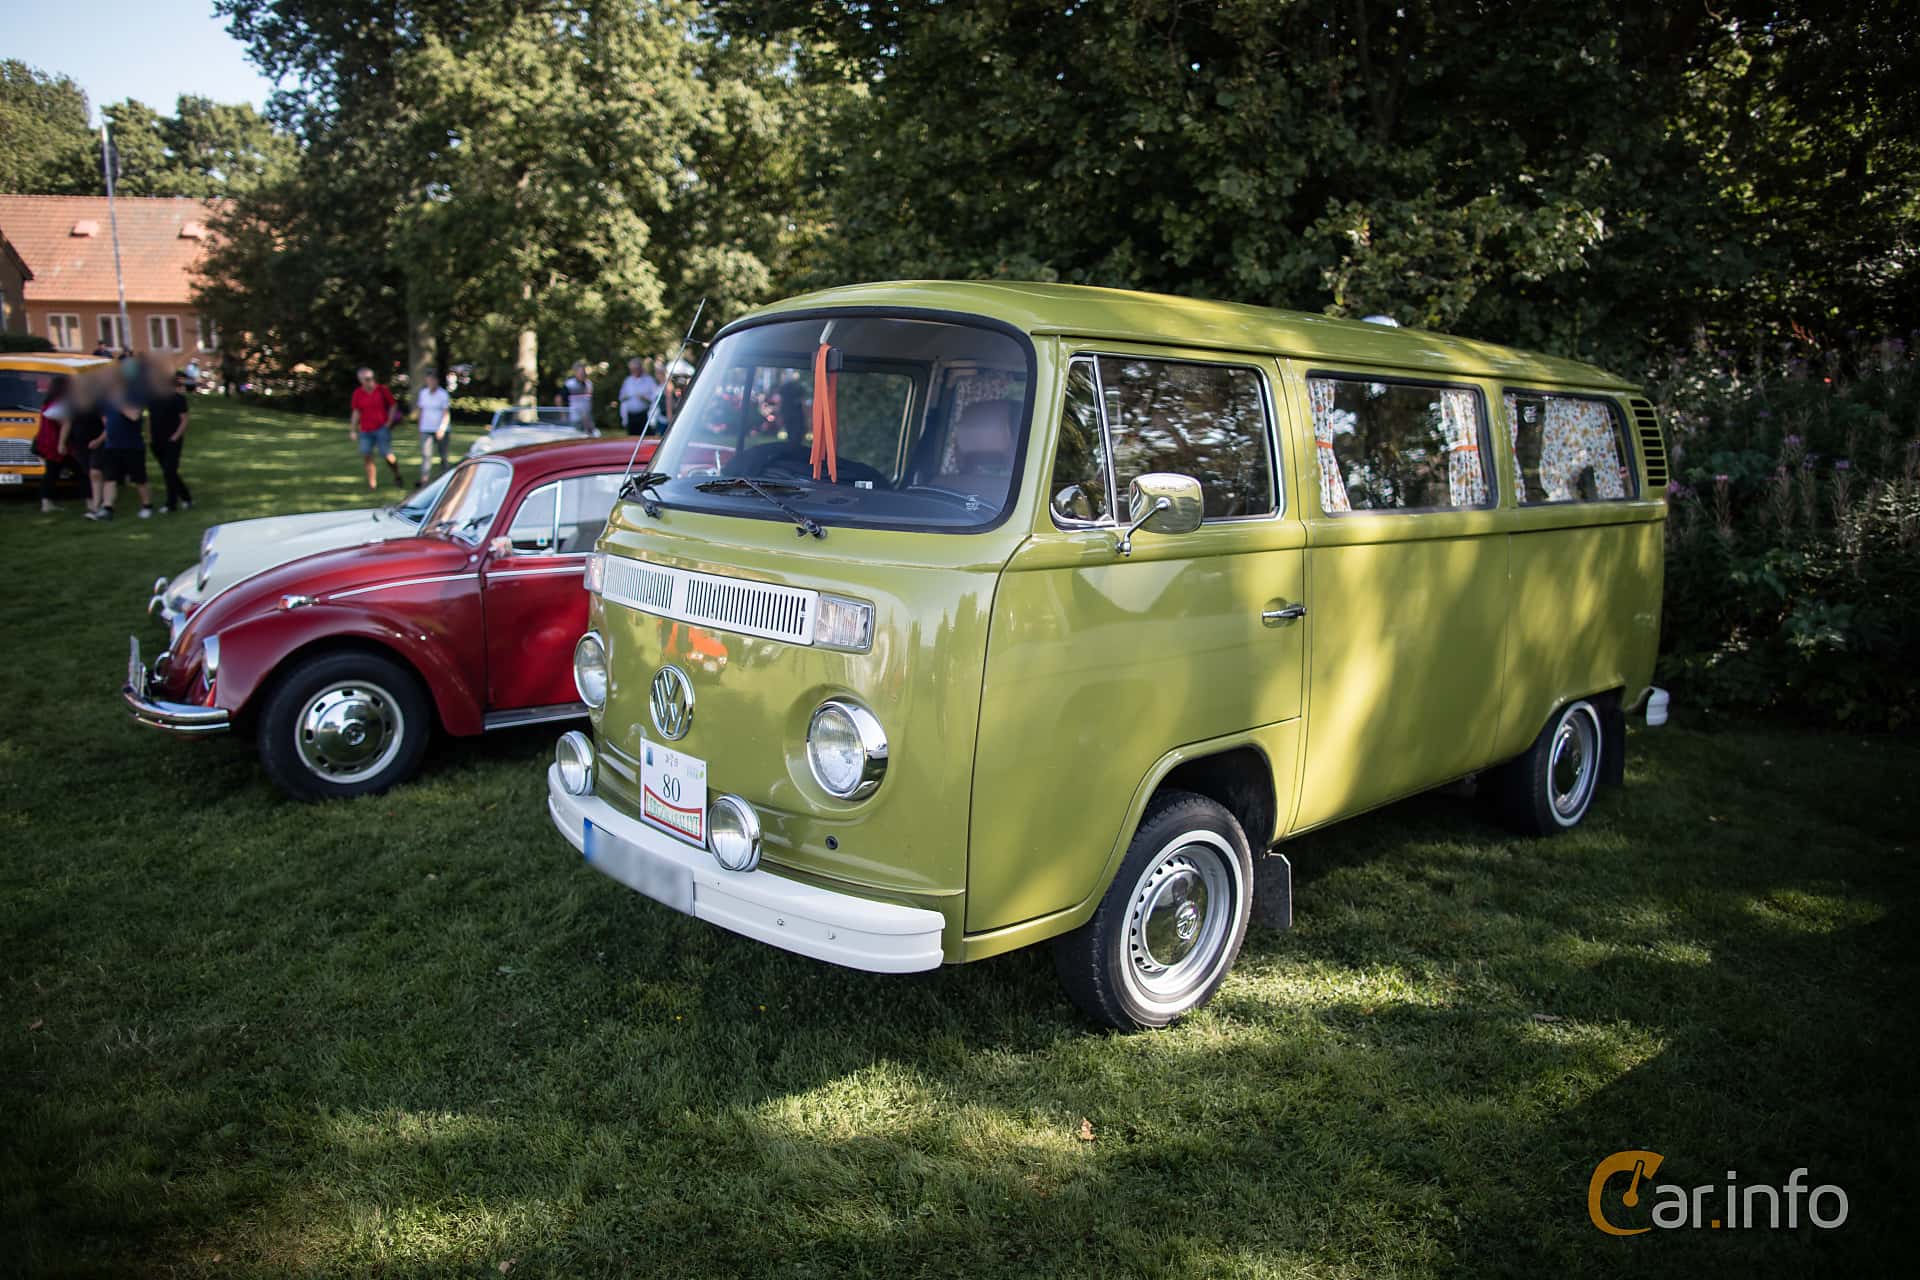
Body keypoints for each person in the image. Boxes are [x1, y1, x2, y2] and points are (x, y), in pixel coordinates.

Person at [88, 359, 153, 520]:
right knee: (110, 478)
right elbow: (105, 420)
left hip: (132, 444)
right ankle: (107, 508)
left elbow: (134, 415)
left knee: (139, 478)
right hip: (112, 444)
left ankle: (147, 506)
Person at [33, 375, 84, 513]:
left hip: (48, 443)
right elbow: (65, 424)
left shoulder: (47, 403)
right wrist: (62, 444)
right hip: (57, 445)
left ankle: (46, 503)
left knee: (51, 473)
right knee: (82, 471)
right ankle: (92, 499)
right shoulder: (59, 404)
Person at [349, 366, 403, 490]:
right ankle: (372, 483)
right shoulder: (358, 393)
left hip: (381, 428)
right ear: (361, 380)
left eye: (371, 378)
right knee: (367, 455)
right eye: (366, 379)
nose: (369, 381)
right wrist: (352, 429)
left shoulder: (382, 390)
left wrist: (389, 421)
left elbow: (393, 405)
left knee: (387, 455)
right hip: (365, 430)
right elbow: (356, 411)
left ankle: (397, 475)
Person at [148, 369, 193, 512]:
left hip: (172, 440)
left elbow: (184, 420)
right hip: (156, 441)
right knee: (169, 472)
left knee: (169, 471)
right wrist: (149, 436)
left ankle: (171, 503)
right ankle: (186, 497)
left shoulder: (178, 399)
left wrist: (175, 436)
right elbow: (150, 419)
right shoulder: (153, 399)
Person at [413, 368, 452, 485]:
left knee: (443, 455)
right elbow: (421, 410)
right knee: (426, 454)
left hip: (440, 429)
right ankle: (424, 480)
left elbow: (446, 413)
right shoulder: (423, 393)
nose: (431, 382)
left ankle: (447, 478)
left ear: (437, 381)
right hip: (426, 428)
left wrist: (442, 428)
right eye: (429, 380)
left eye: (433, 380)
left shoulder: (443, 394)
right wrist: (420, 426)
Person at [617, 357, 660, 435]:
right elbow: (621, 397)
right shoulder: (628, 381)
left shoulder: (649, 380)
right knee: (632, 439)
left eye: (636, 369)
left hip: (644, 415)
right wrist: (626, 397)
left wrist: (644, 398)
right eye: (632, 369)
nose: (634, 371)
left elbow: (656, 398)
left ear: (640, 368)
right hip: (631, 416)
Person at [563, 360, 594, 430]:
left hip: (587, 419)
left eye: (583, 372)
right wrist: (563, 415)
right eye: (580, 372)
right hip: (575, 418)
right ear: (575, 372)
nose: (583, 374)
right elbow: (559, 399)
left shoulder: (589, 384)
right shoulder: (569, 384)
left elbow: (588, 400)